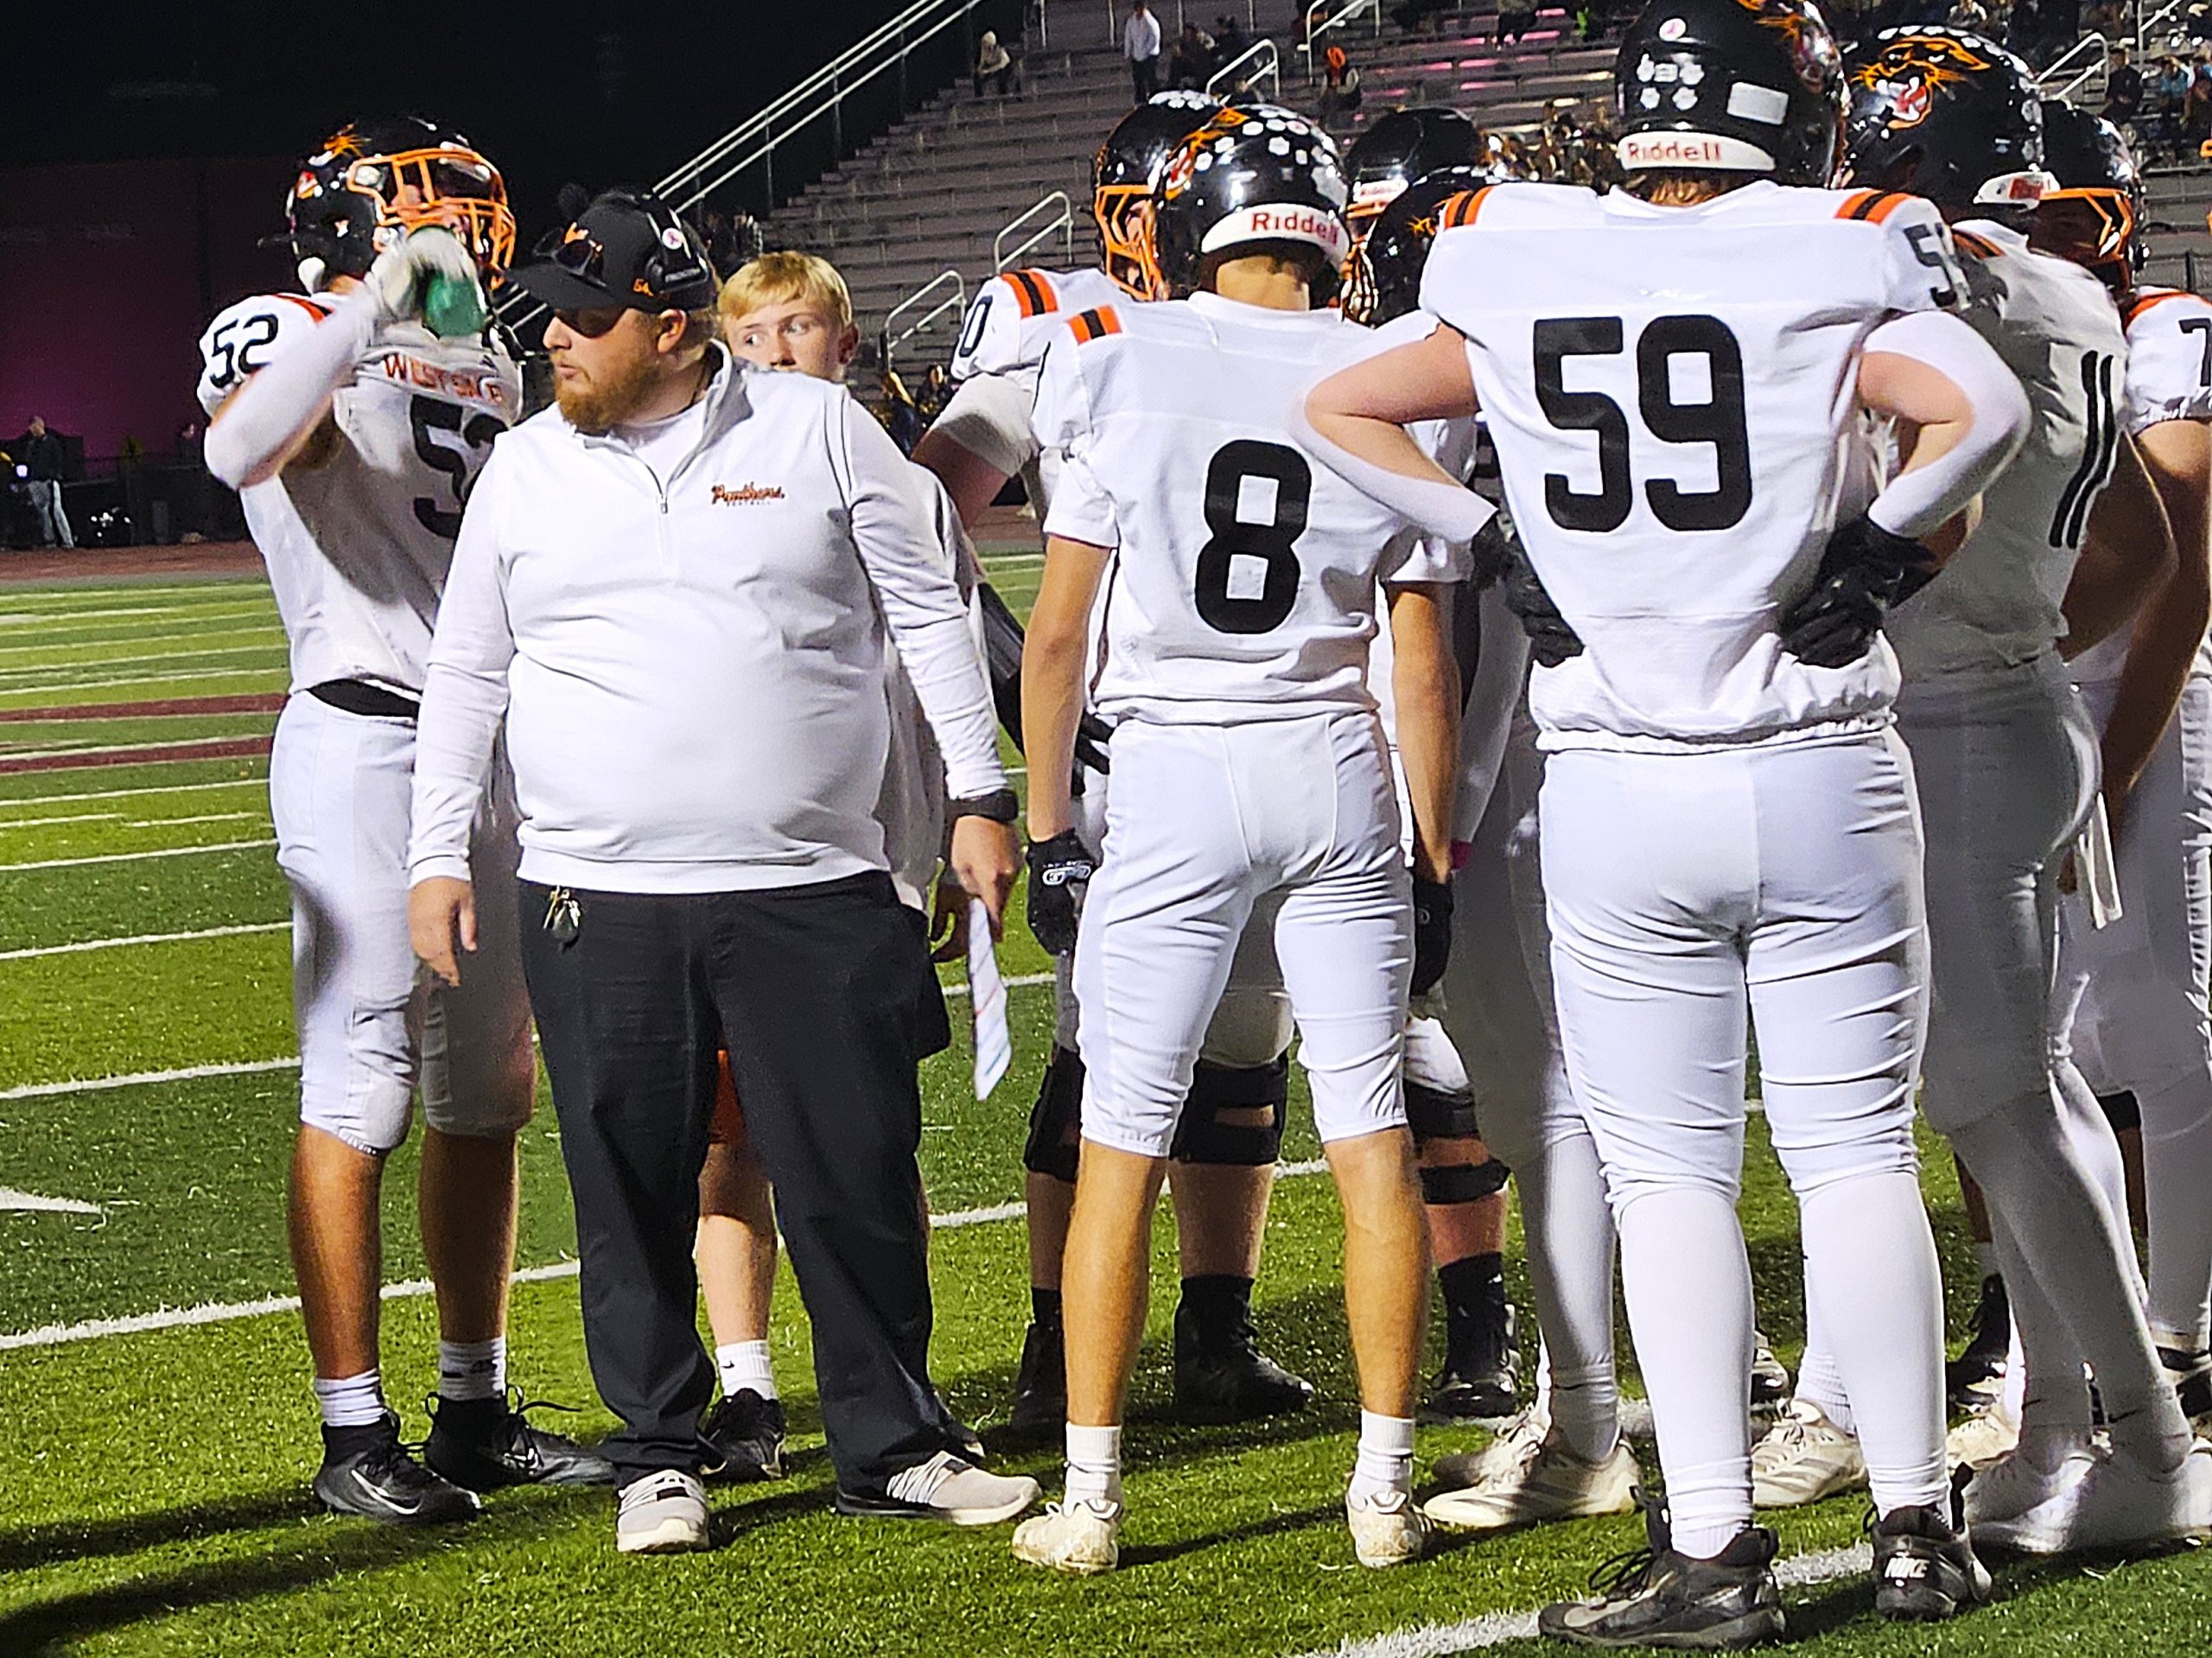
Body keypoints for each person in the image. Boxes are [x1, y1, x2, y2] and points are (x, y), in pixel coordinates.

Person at [1304, 0, 2037, 1636]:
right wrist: (1885, 546)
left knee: (1670, 1176)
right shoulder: (1840, 242)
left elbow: (1343, 405)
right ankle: (1920, 1525)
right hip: (1825, 762)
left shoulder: (1516, 249)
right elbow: (1979, 410)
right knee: (1854, 1152)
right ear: (1792, 119)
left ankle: (1714, 1546)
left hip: (1626, 781)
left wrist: (1494, 533)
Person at [405, 187, 1035, 1555]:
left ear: (672, 325)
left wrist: (981, 793)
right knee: (628, 1182)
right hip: (595, 886)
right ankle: (658, 1454)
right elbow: (465, 670)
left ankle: (896, 1440)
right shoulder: (526, 465)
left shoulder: (818, 428)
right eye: (551, 317)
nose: (556, 340)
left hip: (812, 880)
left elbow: (927, 608)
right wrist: (434, 850)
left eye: (585, 317)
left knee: (853, 1169)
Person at [1011, 101, 1471, 1580]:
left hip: (1179, 767)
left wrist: (1044, 825)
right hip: (1336, 758)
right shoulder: (1381, 368)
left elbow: (1062, 630)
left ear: (1192, 221)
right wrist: (1435, 841)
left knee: (1120, 1145)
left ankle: (1090, 1494)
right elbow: (1421, 655)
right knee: (1371, 1136)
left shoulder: (1117, 357)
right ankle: (1387, 1485)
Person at [1819, 29, 2212, 1559]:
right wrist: (2024, 633)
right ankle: (2060, 1419)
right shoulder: (2065, 289)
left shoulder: (1942, 285)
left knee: (2002, 1091)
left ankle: (2151, 1435)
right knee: (2009, 1089)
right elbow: (2140, 554)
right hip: (2010, 701)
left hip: (1960, 724)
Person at [195, 116, 613, 1524]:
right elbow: (243, 446)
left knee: (490, 1092)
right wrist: (367, 306)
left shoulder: (493, 356)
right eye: (424, 217)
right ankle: (350, 1425)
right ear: (349, 225)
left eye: (463, 219)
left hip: (488, 754)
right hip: (363, 735)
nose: (455, 244)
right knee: (358, 1084)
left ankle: (474, 1399)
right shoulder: (279, 323)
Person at [918, 92, 1323, 1445]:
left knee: (1250, 1035)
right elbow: (924, 514)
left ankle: (1218, 1325)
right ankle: (1054, 1344)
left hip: (1258, 725)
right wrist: (1004, 672)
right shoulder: (1069, 321)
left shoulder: (1278, 322)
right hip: (1122, 739)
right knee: (1110, 1044)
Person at [696, 249, 990, 1480]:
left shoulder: (886, 474)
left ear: (846, 342)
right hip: (734, 852)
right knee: (726, 1139)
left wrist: (930, 839)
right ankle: (746, 1384)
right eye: (749, 336)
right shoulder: (704, 477)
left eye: (797, 329)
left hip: (864, 851)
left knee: (870, 1141)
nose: (774, 354)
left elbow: (944, 658)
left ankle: (894, 1379)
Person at [2036, 105, 2212, 1436]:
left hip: (2146, 678)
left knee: (2161, 1008)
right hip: (2023, 689)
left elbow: (2181, 562)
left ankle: (2179, 1329)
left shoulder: (2165, 334)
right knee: (2053, 1031)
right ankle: (2046, 1320)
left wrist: (2124, 747)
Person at [18, 416, 71, 549]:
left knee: (57, 510)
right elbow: (29, 464)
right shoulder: (32, 445)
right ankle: (50, 542)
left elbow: (58, 461)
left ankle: (67, 541)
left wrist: (54, 477)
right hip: (36, 483)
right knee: (43, 512)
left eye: (32, 426)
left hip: (49, 481)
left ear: (39, 425)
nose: (30, 429)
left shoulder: (52, 442)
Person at [1124, 0, 1163, 102]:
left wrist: (1146, 50)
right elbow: (1128, 37)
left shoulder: (1151, 22)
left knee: (1150, 78)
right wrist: (1128, 53)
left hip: (1149, 55)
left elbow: (1154, 38)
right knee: (1138, 79)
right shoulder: (1131, 22)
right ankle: (1140, 99)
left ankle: (1155, 97)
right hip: (1136, 55)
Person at [2106, 45, 2146, 126]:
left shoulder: (2134, 75)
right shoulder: (2113, 76)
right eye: (2114, 59)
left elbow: (2138, 92)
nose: (2116, 61)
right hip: (2116, 105)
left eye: (2118, 58)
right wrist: (2116, 97)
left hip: (2129, 106)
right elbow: (2110, 92)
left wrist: (2128, 99)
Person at [1170, 20, 1215, 87]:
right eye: (1186, 34)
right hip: (1189, 63)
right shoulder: (1185, 40)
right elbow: (1177, 42)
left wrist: (1184, 54)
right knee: (1176, 61)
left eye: (1190, 34)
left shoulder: (1205, 40)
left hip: (1203, 65)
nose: (1188, 36)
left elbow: (1203, 51)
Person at [975, 29, 1015, 97]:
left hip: (1003, 68)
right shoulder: (984, 49)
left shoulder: (1000, 50)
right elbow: (982, 61)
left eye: (985, 43)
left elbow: (1003, 64)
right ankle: (978, 95)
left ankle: (1003, 94)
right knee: (977, 76)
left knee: (1002, 75)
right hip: (990, 67)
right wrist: (980, 70)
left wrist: (989, 70)